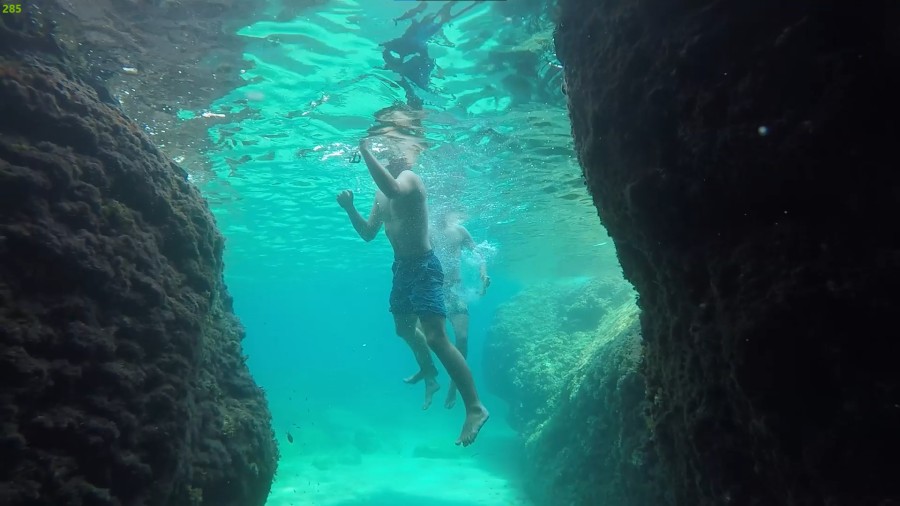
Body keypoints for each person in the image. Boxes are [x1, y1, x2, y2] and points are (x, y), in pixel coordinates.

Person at [336, 138, 490, 446]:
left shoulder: (409, 179)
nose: (382, 152)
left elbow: (394, 190)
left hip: (423, 266)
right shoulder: (381, 193)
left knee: (436, 336)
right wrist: (350, 208)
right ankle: (429, 373)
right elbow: (368, 233)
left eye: (385, 148)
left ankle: (474, 407)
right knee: (403, 328)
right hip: (401, 268)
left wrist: (364, 149)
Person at [429, 210, 490, 409]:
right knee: (428, 339)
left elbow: (479, 254)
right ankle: (429, 379)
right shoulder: (426, 230)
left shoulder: (460, 231)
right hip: (433, 291)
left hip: (455, 291)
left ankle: (454, 386)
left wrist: (483, 275)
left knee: (462, 339)